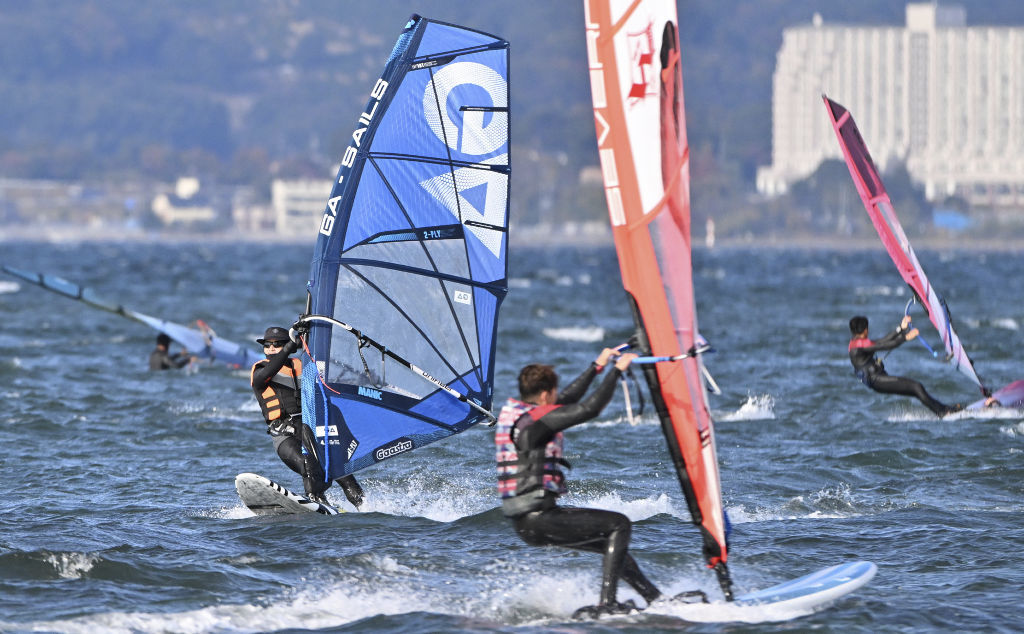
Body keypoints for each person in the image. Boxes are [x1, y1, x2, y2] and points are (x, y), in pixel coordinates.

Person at [495, 348, 662, 618]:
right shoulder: (536, 421)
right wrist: (617, 371)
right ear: (545, 395)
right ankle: (606, 603)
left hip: (525, 523)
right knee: (619, 525)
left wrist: (598, 366)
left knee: (612, 546)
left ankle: (653, 598)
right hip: (540, 517)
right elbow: (589, 408)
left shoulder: (520, 416)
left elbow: (568, 400)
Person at [250, 325, 364, 508]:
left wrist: (310, 340)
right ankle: (317, 502)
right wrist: (288, 347)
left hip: (311, 429)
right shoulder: (259, 370)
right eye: (267, 345)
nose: (271, 348)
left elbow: (326, 376)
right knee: (307, 463)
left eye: (277, 344)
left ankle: (364, 506)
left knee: (343, 473)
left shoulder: (302, 365)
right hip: (285, 436)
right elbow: (268, 372)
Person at [848, 315, 963, 417]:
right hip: (877, 380)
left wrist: (900, 328)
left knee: (916, 390)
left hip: (877, 380)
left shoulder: (855, 343)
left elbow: (881, 341)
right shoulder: (860, 345)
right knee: (916, 387)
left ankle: (944, 409)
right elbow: (884, 346)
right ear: (865, 330)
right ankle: (943, 412)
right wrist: (905, 338)